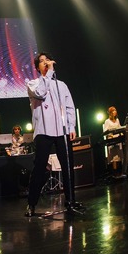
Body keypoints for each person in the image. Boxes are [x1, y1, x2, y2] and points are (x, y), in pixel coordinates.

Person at [25, 52, 83, 217]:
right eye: (41, 61)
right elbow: (41, 93)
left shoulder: (61, 85)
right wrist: (49, 73)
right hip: (43, 130)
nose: (45, 62)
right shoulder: (33, 84)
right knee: (39, 167)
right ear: (38, 67)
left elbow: (69, 106)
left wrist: (71, 126)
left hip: (62, 131)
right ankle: (31, 204)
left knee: (67, 166)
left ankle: (70, 201)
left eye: (47, 60)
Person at [102, 106, 124, 175]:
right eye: (113, 111)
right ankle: (115, 172)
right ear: (110, 113)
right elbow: (105, 131)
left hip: (118, 139)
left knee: (119, 156)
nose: (115, 112)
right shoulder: (107, 121)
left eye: (115, 110)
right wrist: (111, 135)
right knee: (114, 157)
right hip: (112, 140)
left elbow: (120, 128)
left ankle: (121, 171)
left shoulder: (117, 120)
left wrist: (122, 133)